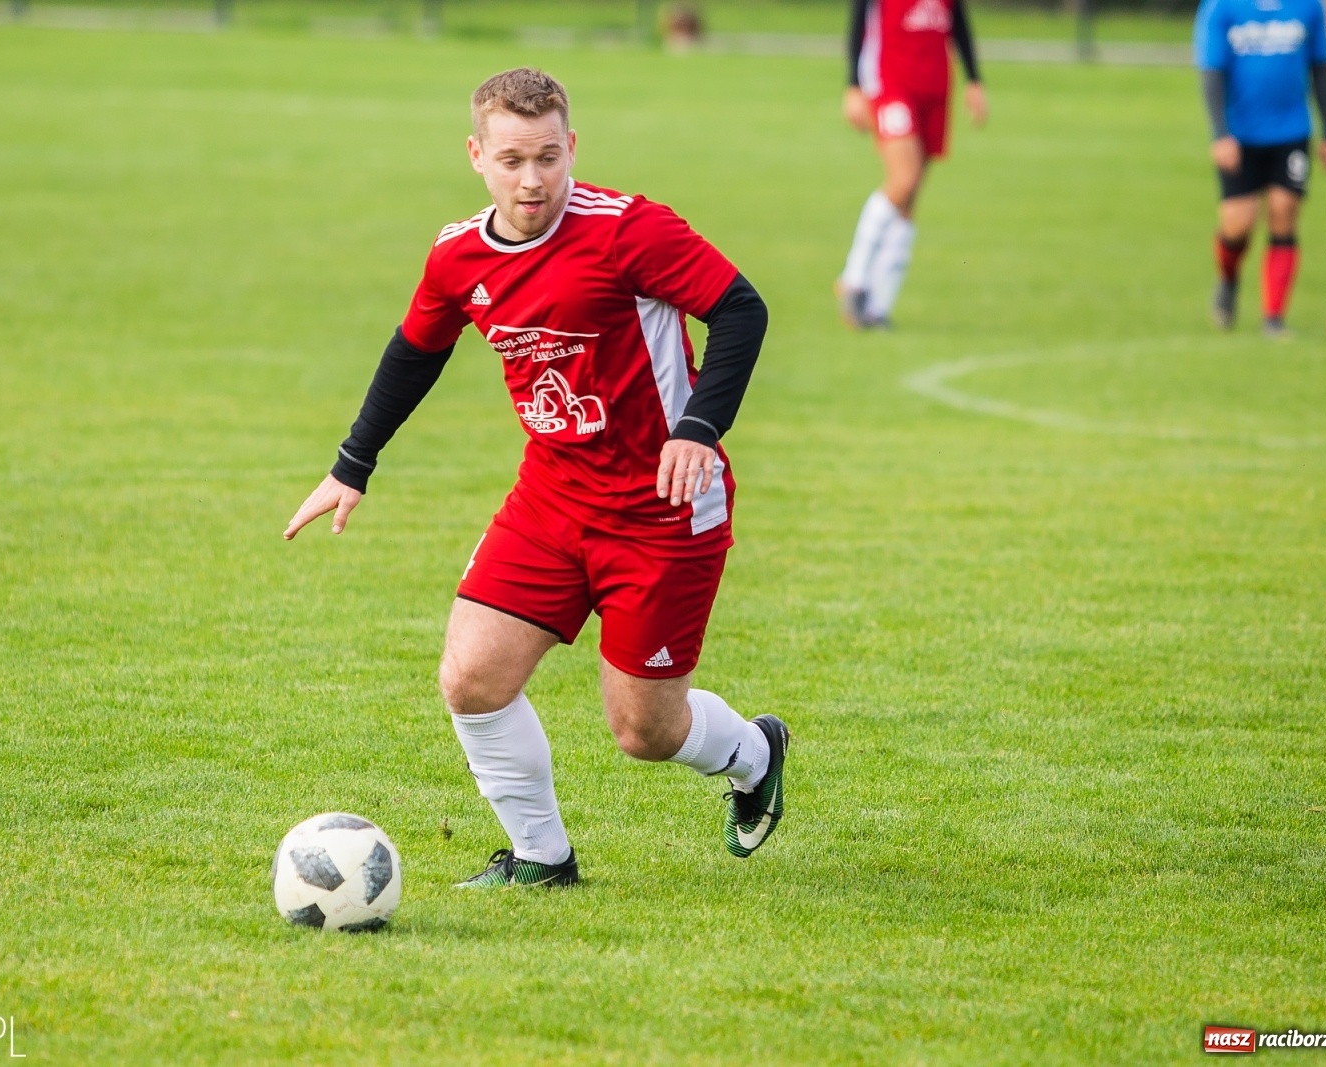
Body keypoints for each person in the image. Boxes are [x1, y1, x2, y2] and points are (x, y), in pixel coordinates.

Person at [283, 68, 788, 887]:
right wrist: (352, 466)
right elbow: (417, 350)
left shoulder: (630, 230)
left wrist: (698, 427)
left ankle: (754, 751)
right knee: (472, 676)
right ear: (477, 155)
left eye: (549, 157)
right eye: (512, 159)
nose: (532, 179)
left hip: (663, 509)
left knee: (644, 731)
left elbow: (740, 309)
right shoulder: (459, 254)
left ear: (571, 148)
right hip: (552, 496)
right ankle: (540, 860)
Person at [835, 0, 986, 329]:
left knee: (910, 196)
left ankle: (878, 306)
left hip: (933, 83)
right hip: (892, 81)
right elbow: (860, 16)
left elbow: (956, 19)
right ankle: (854, 279)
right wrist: (852, 85)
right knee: (903, 179)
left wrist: (974, 79)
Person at [1196, 0, 1326, 336]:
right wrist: (1220, 134)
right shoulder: (1222, 7)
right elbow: (1212, 72)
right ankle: (1228, 280)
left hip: (1292, 132)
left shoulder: (1308, 7)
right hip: (1241, 135)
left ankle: (1273, 318)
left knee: (1284, 210)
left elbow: (1321, 68)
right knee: (1237, 224)